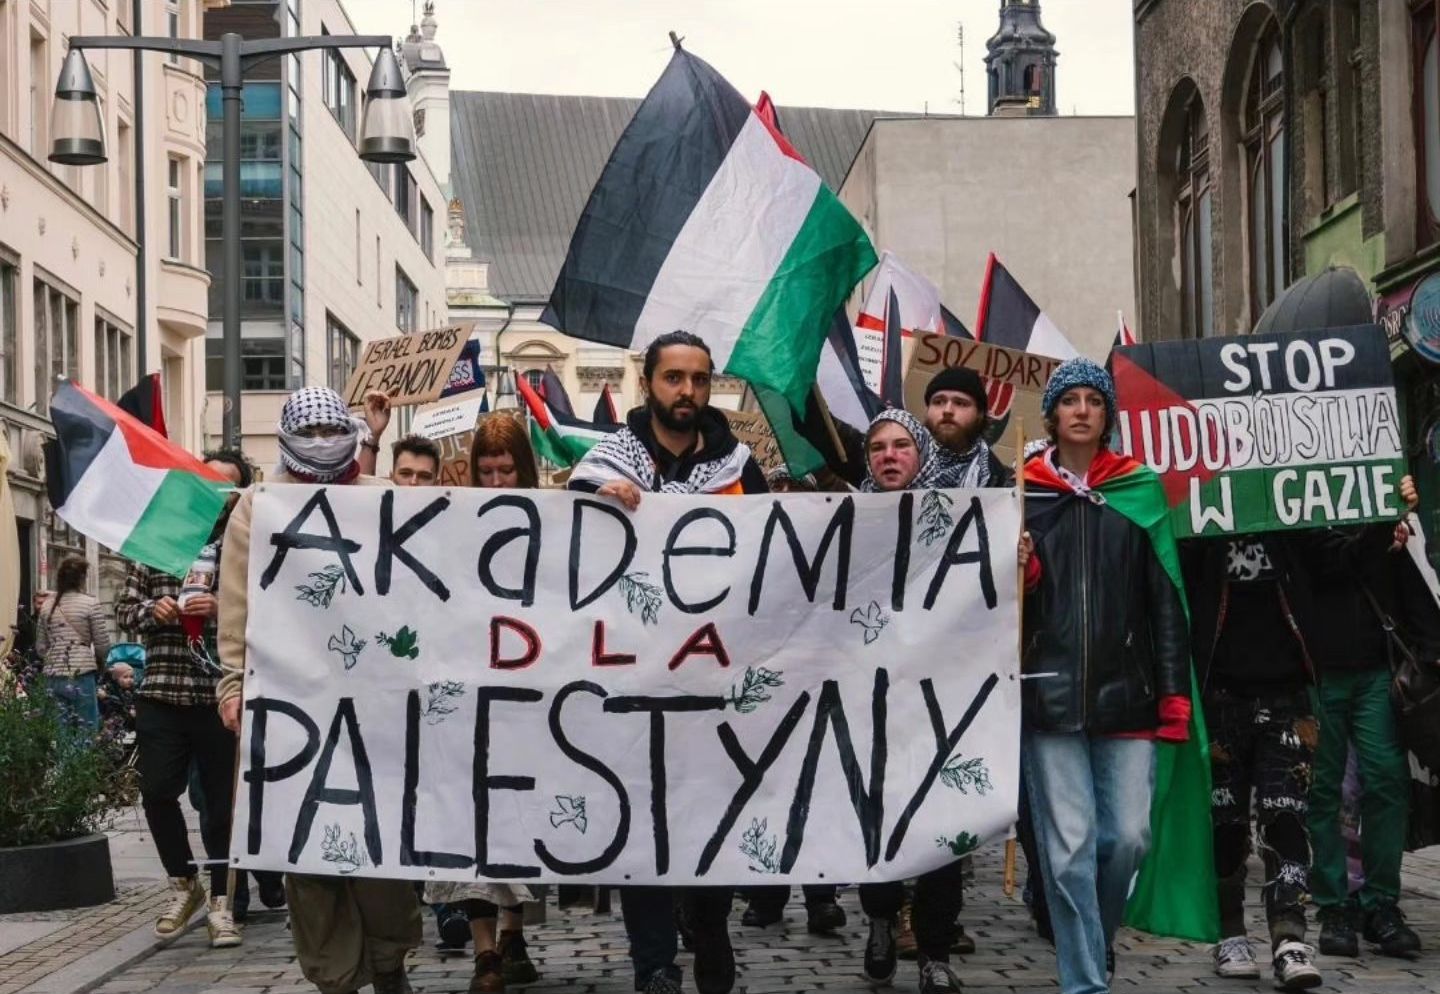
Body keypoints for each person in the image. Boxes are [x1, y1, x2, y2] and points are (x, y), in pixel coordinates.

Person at [569, 330, 767, 994]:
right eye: (673, 378)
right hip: (630, 678)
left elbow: (772, 558)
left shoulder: (739, 468)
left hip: (712, 678)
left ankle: (708, 925)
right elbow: (563, 563)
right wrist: (598, 506)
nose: (687, 391)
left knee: (711, 810)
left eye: (699, 379)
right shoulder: (606, 464)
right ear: (648, 383)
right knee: (639, 816)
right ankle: (653, 962)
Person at [217, 387, 422, 994]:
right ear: (285, 437)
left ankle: (389, 963)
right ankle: (336, 976)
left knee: (379, 839)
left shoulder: (383, 497)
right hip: (293, 705)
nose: (322, 442)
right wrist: (233, 683)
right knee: (306, 848)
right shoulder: (258, 506)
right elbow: (238, 603)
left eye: (332, 429)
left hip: (376, 707)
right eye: (308, 432)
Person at [1020, 358, 1190, 994]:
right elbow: (1000, 605)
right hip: (1049, 695)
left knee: (1127, 840)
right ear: (1053, 414)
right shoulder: (1025, 495)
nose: (1082, 410)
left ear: (1108, 415)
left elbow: (1165, 599)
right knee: (1068, 853)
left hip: (1128, 695)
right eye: (1071, 400)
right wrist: (1020, 570)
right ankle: (1086, 982)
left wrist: (1172, 694)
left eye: (1094, 400)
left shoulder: (1138, 490)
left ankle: (1096, 938)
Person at [852, 408, 1022, 994]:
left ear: (921, 453)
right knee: (876, 822)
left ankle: (934, 950)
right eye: (878, 447)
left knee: (944, 826)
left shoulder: (959, 518)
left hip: (943, 699)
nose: (889, 455)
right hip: (871, 703)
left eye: (901, 445)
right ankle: (880, 915)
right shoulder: (845, 519)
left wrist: (1016, 559)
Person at [419, 413, 544, 993]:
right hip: (467, 697)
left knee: (518, 820)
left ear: (525, 468)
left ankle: (513, 933)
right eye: (486, 471)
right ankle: (486, 952)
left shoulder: (553, 521)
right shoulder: (457, 522)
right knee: (471, 826)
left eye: (506, 470)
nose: (496, 482)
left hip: (529, 700)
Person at [116, 450, 261, 949]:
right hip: (162, 689)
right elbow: (124, 610)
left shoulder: (244, 544)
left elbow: (270, 610)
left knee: (220, 808)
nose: (216, 494)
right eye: (208, 482)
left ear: (238, 495)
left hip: (218, 693)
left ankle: (222, 903)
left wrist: (223, 607)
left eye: (227, 487)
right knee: (157, 792)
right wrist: (153, 610)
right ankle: (183, 883)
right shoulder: (160, 540)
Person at [1180, 529, 1323, 989]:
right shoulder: (1200, 525)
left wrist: (1387, 523)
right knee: (1226, 825)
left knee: (1287, 815)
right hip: (1221, 693)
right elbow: (1174, 569)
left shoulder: (1294, 522)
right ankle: (1230, 933)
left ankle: (1289, 937)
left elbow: (1335, 558)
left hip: (1287, 694)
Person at [1307, 478, 1433, 962]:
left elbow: (1404, 580)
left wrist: (1395, 506)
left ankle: (1381, 903)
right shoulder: (1294, 504)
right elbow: (1334, 562)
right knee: (1325, 789)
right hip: (1319, 672)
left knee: (1387, 780)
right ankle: (1334, 905)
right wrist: (1385, 521)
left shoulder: (1378, 502)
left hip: (1376, 670)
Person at [737, 468, 848, 938]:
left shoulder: (829, 545)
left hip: (820, 682)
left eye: (793, 488)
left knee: (817, 788)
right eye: (776, 488)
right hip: (766, 685)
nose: (783, 495)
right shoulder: (751, 547)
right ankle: (766, 894)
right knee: (767, 787)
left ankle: (822, 896)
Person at [36, 556, 110, 730]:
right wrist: (99, 660)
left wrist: (54, 657)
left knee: (59, 732)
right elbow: (102, 646)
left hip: (53, 675)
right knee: (86, 729)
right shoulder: (90, 603)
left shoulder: (47, 606)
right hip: (82, 673)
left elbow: (40, 647)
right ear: (82, 578)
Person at [924, 366, 1011, 488]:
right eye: (938, 402)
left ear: (980, 414)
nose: (947, 410)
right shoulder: (902, 464)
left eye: (960, 403)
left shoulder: (1002, 482)